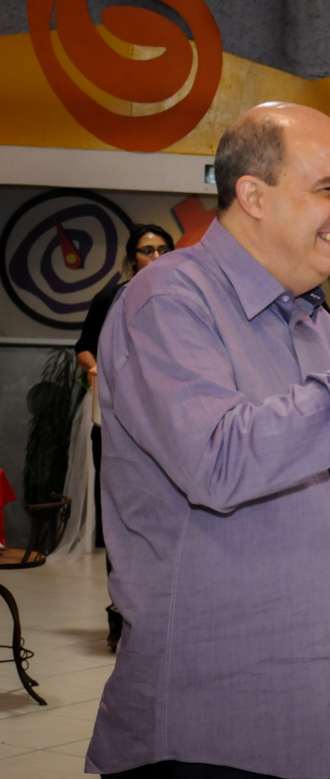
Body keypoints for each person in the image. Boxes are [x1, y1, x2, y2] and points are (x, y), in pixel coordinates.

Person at [86, 102, 330, 779]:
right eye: (329, 188)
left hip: (316, 706)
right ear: (252, 195)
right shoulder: (167, 300)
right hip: (206, 726)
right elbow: (220, 461)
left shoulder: (317, 325)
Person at [75, 223, 174, 650]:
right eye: (147, 250)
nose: (155, 257)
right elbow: (83, 346)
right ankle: (121, 615)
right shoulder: (112, 297)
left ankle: (162, 616)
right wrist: (95, 366)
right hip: (117, 420)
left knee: (166, 517)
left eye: (162, 249)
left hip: (167, 422)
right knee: (122, 516)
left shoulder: (183, 295)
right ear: (132, 256)